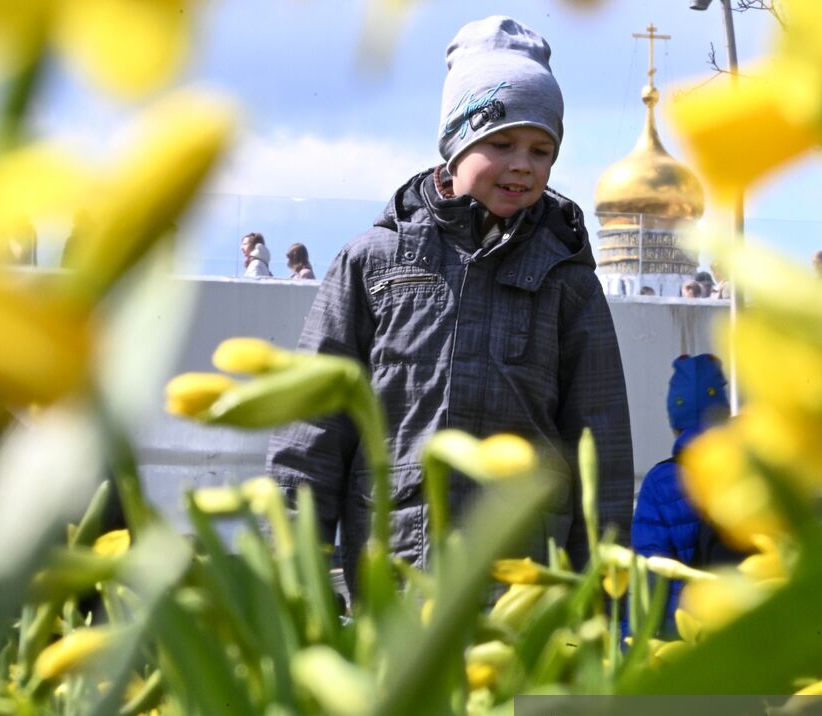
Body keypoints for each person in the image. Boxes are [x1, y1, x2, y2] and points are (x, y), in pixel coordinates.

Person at [267, 15, 633, 597]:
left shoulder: (568, 281)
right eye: (502, 143)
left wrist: (602, 592)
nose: (523, 164)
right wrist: (289, 569)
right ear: (455, 144)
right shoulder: (372, 262)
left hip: (523, 583)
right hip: (394, 571)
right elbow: (312, 429)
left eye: (542, 150)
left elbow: (601, 446)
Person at [631, 354, 730, 627]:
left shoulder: (660, 481)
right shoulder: (749, 469)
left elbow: (649, 575)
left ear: (674, 421)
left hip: (685, 633)